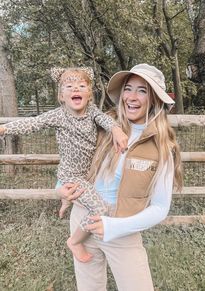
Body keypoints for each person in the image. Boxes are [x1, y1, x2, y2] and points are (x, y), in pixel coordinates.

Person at [59, 63, 183, 291]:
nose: (132, 97)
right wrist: (61, 187)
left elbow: (159, 207)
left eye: (142, 90)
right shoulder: (101, 126)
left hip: (122, 228)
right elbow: (71, 156)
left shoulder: (163, 147)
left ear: (155, 99)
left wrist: (114, 226)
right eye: (128, 88)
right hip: (82, 217)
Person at [0, 66, 128, 263]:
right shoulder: (58, 115)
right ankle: (75, 241)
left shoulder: (93, 111)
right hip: (71, 177)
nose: (75, 89)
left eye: (81, 85)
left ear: (89, 94)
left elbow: (106, 120)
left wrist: (117, 130)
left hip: (88, 174)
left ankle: (65, 202)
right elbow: (32, 124)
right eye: (69, 86)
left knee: (72, 197)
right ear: (61, 95)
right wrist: (4, 128)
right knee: (101, 210)